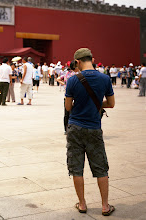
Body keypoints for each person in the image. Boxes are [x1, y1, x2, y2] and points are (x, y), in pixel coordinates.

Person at [65, 48, 115, 216]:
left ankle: (82, 203)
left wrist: (79, 104)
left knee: (77, 168)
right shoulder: (105, 78)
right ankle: (105, 206)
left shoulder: (72, 80)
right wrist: (97, 104)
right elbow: (111, 103)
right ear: (92, 59)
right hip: (94, 127)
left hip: (75, 128)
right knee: (101, 168)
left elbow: (68, 107)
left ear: (77, 62)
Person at [57, 61, 79, 135]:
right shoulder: (77, 74)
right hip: (75, 96)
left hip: (67, 95)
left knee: (67, 113)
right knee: (74, 113)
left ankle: (66, 129)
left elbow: (58, 79)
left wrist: (64, 84)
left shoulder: (66, 73)